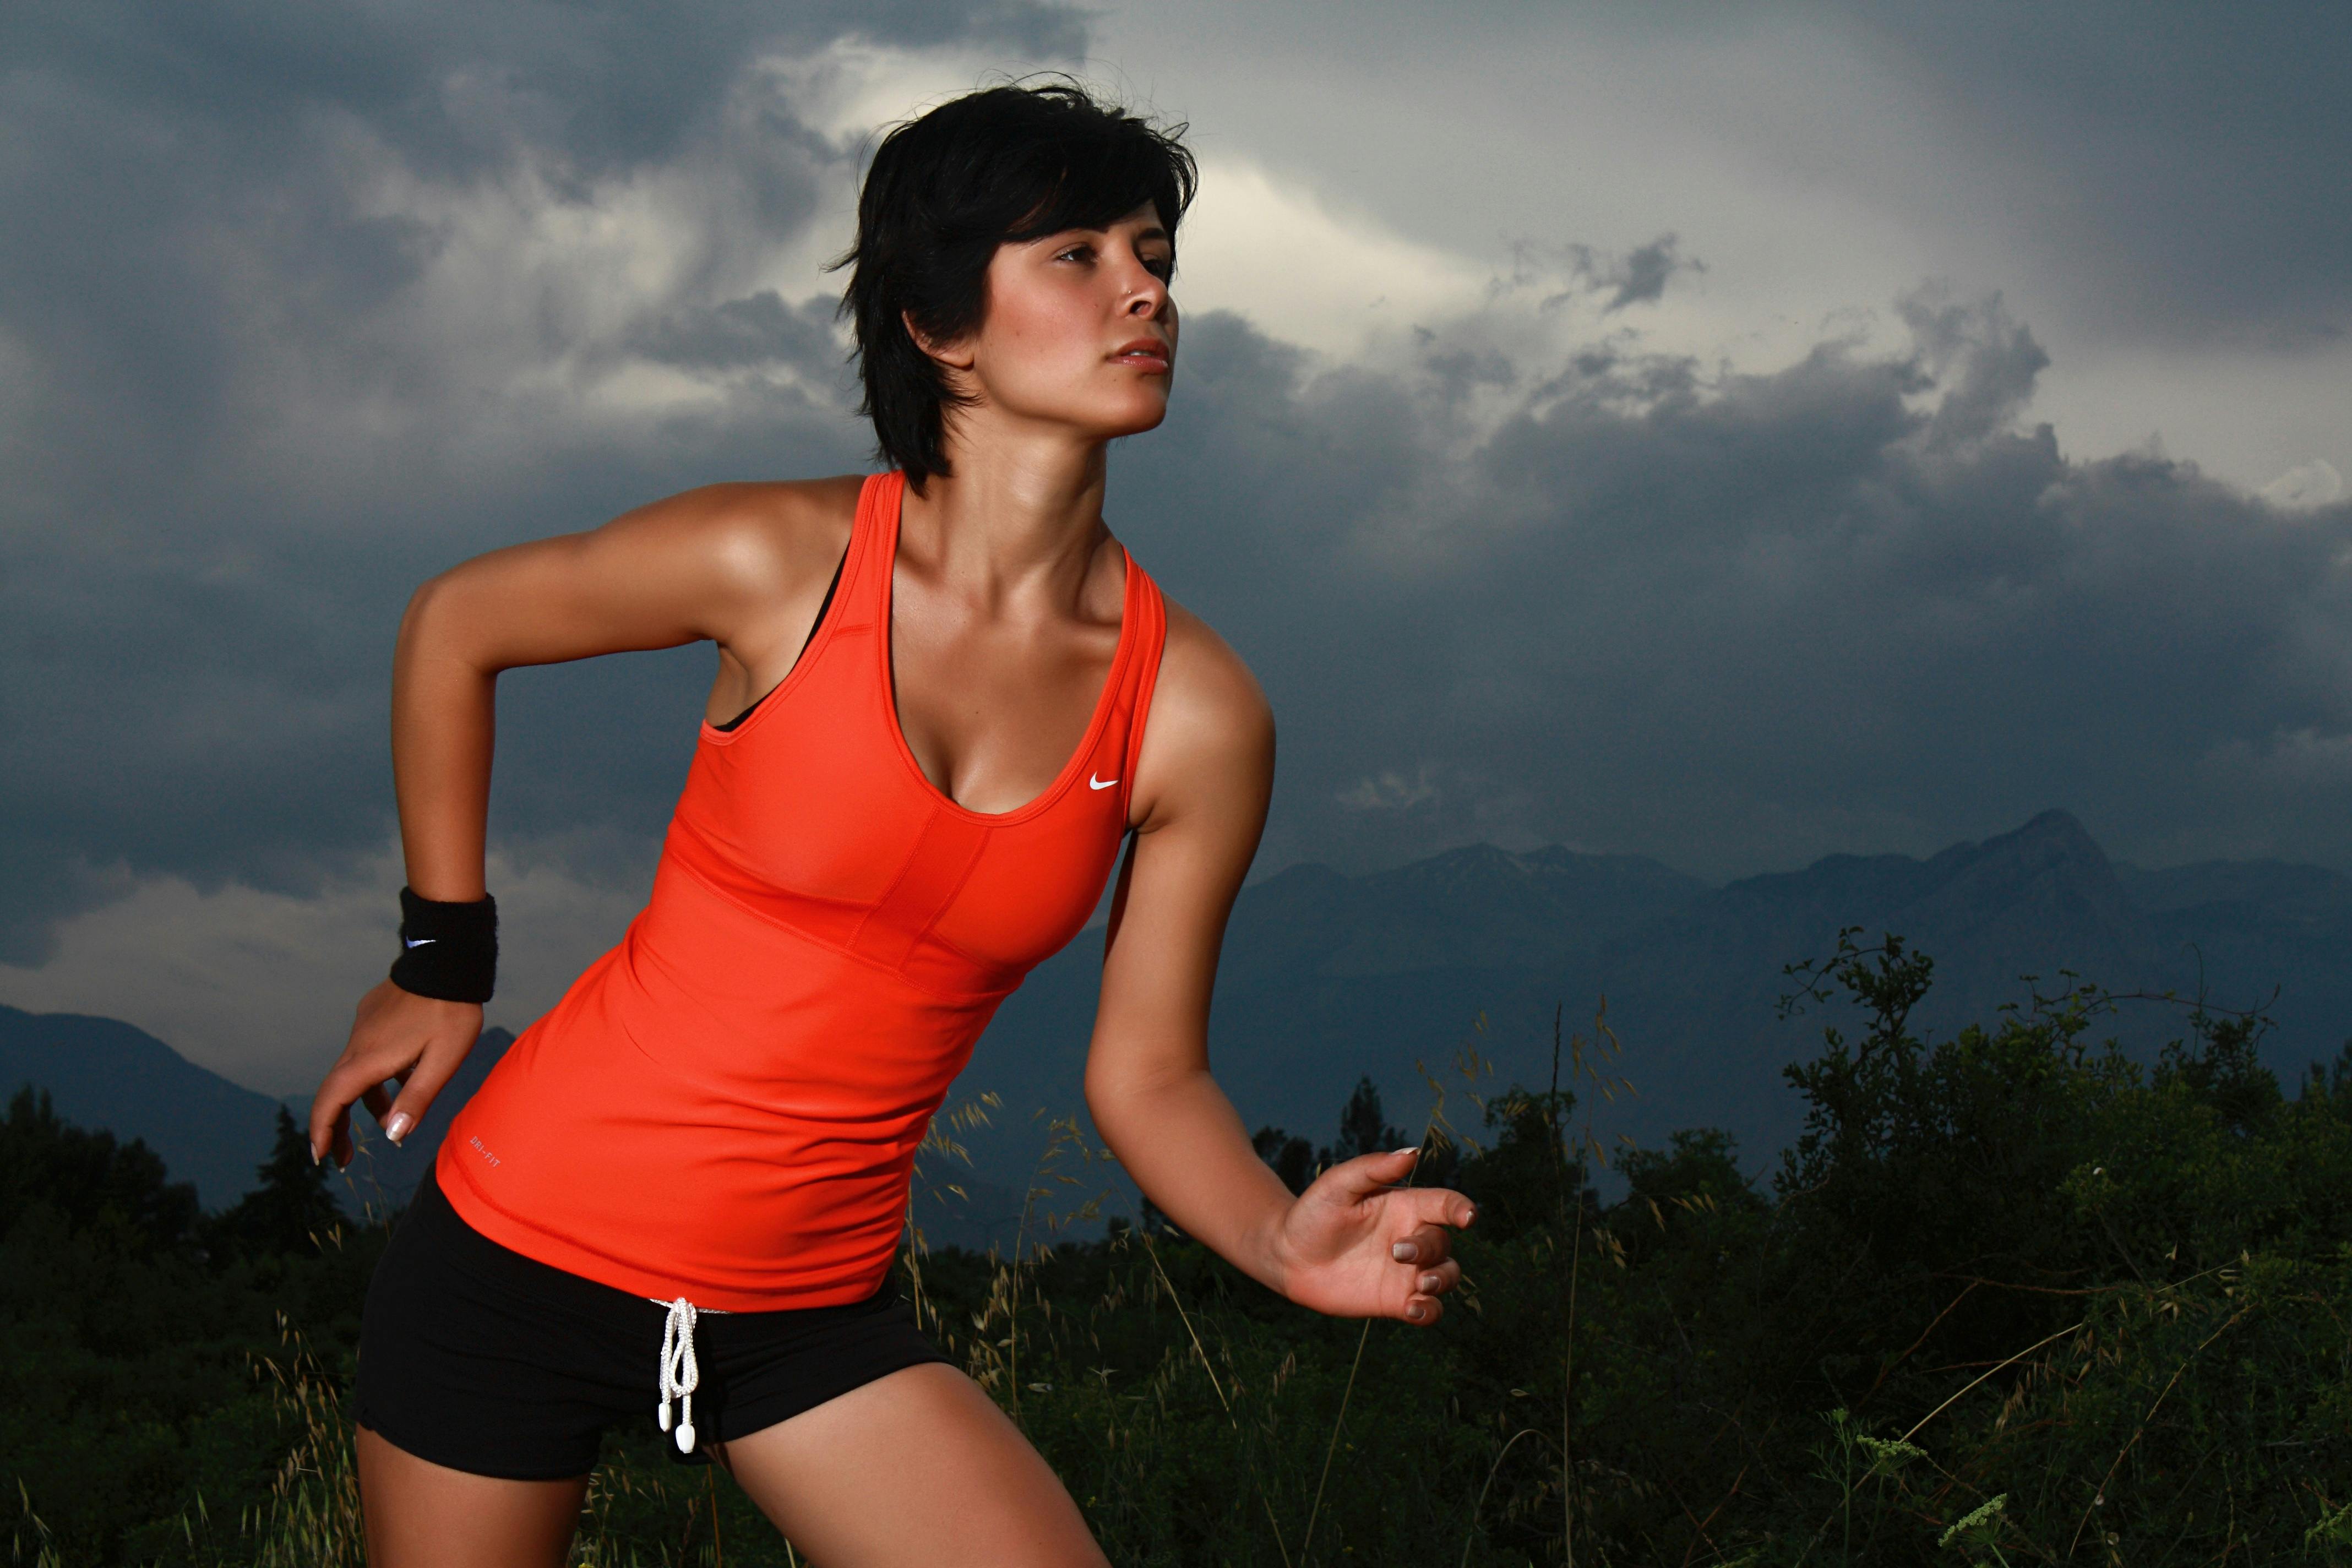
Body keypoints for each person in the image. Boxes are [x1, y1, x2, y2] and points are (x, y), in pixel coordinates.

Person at [308, 80, 1474, 1568]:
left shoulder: (1196, 713)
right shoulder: (774, 559)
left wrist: (1270, 1239)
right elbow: (455, 623)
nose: (1147, 291)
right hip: (512, 1261)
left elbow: (1151, 1071)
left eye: (1156, 252)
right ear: (938, 327)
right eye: (1078, 255)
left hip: (805, 1320)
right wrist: (442, 957)